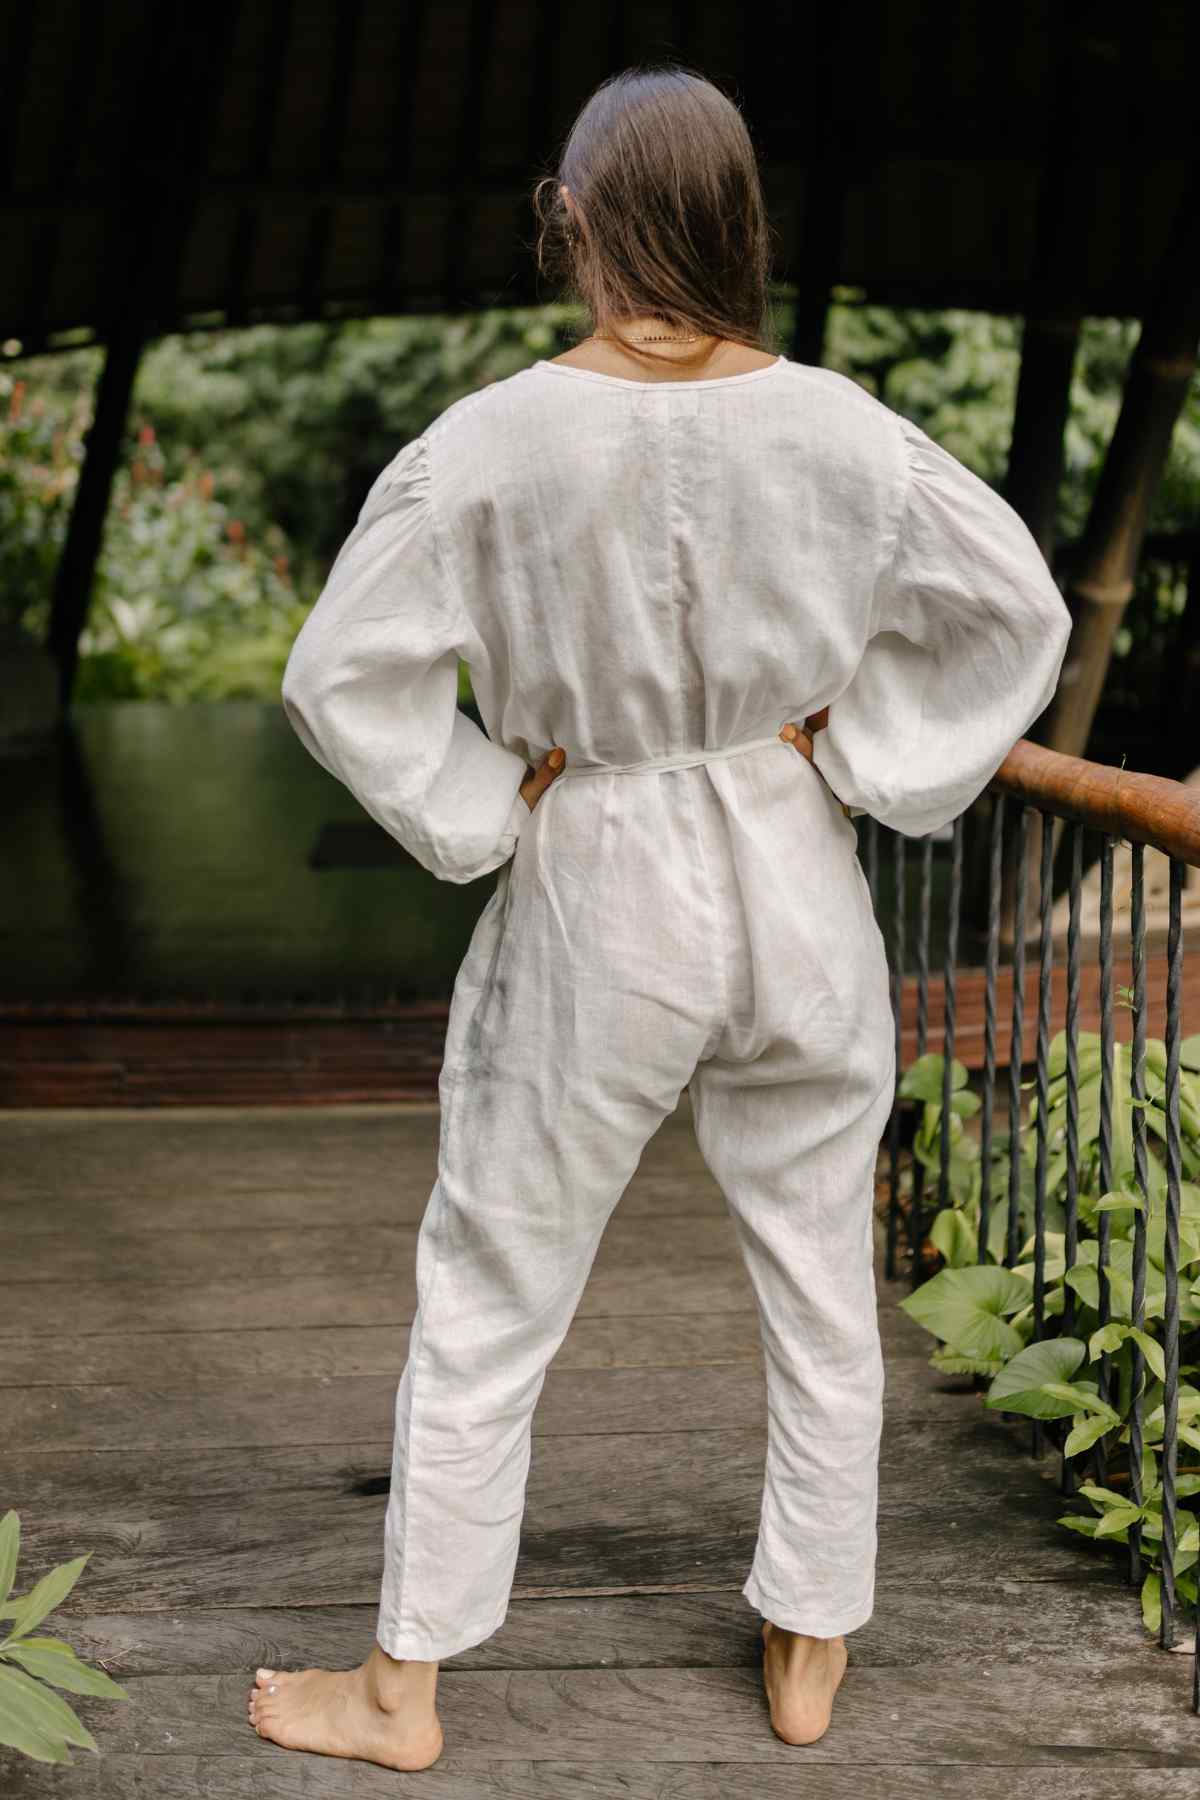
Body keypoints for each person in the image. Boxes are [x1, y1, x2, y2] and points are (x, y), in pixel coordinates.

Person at [248, 64, 1072, 1774]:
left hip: (598, 864)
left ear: (577, 224)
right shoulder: (849, 430)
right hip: (793, 869)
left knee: (493, 1282)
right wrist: (864, 756)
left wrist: (482, 800)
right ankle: (811, 1640)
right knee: (821, 1273)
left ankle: (401, 1692)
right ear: (736, 224)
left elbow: (341, 675)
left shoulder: (486, 442)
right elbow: (1017, 612)